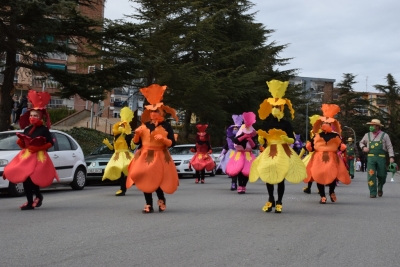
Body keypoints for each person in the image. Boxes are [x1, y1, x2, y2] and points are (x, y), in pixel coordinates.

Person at [249, 80, 306, 213]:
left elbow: (292, 138)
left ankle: (279, 201)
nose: (276, 109)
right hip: (271, 150)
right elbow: (263, 140)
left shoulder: (286, 124)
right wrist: (261, 139)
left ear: (282, 108)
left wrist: (287, 139)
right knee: (268, 172)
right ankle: (270, 199)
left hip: (283, 150)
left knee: (281, 176)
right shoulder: (267, 123)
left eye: (278, 107)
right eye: (274, 106)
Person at [126, 84, 179, 213]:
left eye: (156, 111)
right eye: (151, 111)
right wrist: (137, 134)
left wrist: (164, 139)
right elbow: (136, 142)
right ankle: (148, 203)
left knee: (158, 178)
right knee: (144, 177)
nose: (153, 113)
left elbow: (172, 143)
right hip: (145, 154)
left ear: (161, 112)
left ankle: (161, 199)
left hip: (160, 154)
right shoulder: (145, 125)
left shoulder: (166, 126)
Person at [3, 90, 59, 210]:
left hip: (39, 157)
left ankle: (38, 196)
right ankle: (30, 202)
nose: (33, 117)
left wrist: (39, 148)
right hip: (27, 156)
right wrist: (20, 143)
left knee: (33, 179)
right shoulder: (27, 129)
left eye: (35, 116)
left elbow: (50, 143)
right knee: (25, 178)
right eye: (31, 115)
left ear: (40, 117)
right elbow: (25, 144)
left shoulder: (44, 129)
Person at [304, 104, 351, 204]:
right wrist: (308, 146)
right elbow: (311, 147)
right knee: (318, 175)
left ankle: (331, 191)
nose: (325, 124)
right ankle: (322, 196)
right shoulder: (316, 136)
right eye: (323, 123)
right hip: (318, 158)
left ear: (331, 124)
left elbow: (340, 147)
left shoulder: (336, 136)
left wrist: (342, 148)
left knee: (332, 175)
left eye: (327, 123)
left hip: (332, 157)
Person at [102, 107, 136, 196]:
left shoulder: (127, 136)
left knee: (125, 170)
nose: (120, 127)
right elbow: (113, 148)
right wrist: (107, 144)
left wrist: (133, 142)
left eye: (122, 126)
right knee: (114, 169)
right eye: (120, 126)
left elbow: (132, 147)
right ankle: (124, 186)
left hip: (125, 155)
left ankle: (122, 189)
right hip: (117, 155)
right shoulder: (115, 137)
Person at [359, 119, 395, 198]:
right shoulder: (367, 135)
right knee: (371, 175)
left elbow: (389, 146)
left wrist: (391, 156)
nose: (371, 127)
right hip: (371, 158)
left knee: (382, 175)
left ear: (378, 126)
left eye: (373, 125)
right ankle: (372, 192)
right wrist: (363, 147)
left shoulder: (384, 135)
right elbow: (361, 142)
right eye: (370, 125)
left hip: (381, 158)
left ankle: (380, 188)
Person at [226, 112, 257, 194]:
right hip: (239, 154)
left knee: (247, 171)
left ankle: (244, 185)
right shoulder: (241, 132)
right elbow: (235, 141)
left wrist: (250, 139)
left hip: (248, 155)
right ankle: (239, 185)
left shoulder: (252, 135)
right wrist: (244, 137)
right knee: (239, 170)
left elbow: (254, 146)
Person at [218, 115, 243, 190]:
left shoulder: (242, 137)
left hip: (240, 153)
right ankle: (233, 183)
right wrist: (222, 153)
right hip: (231, 154)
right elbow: (226, 146)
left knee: (240, 169)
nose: (235, 129)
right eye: (234, 128)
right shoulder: (229, 137)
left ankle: (241, 184)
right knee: (233, 169)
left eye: (237, 128)